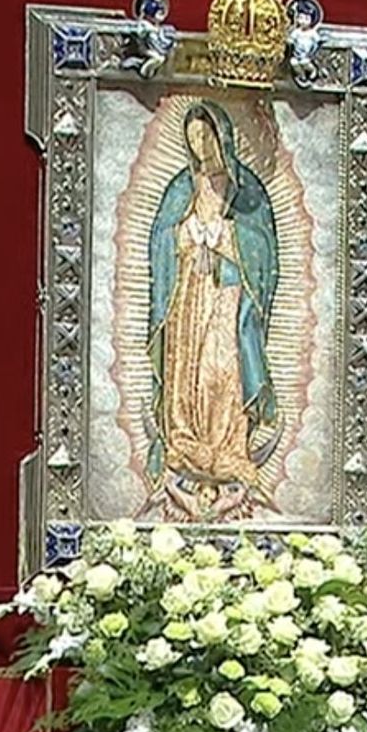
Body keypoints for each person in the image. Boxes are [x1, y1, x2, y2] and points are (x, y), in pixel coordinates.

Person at [145, 100, 280, 517]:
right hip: (188, 296)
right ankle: (183, 445)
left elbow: (265, 252)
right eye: (193, 137)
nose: (200, 144)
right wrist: (185, 234)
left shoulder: (248, 191)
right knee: (186, 373)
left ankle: (228, 448)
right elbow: (160, 240)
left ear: (223, 136)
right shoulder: (180, 190)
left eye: (206, 135)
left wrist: (225, 236)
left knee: (222, 370)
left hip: (228, 297)